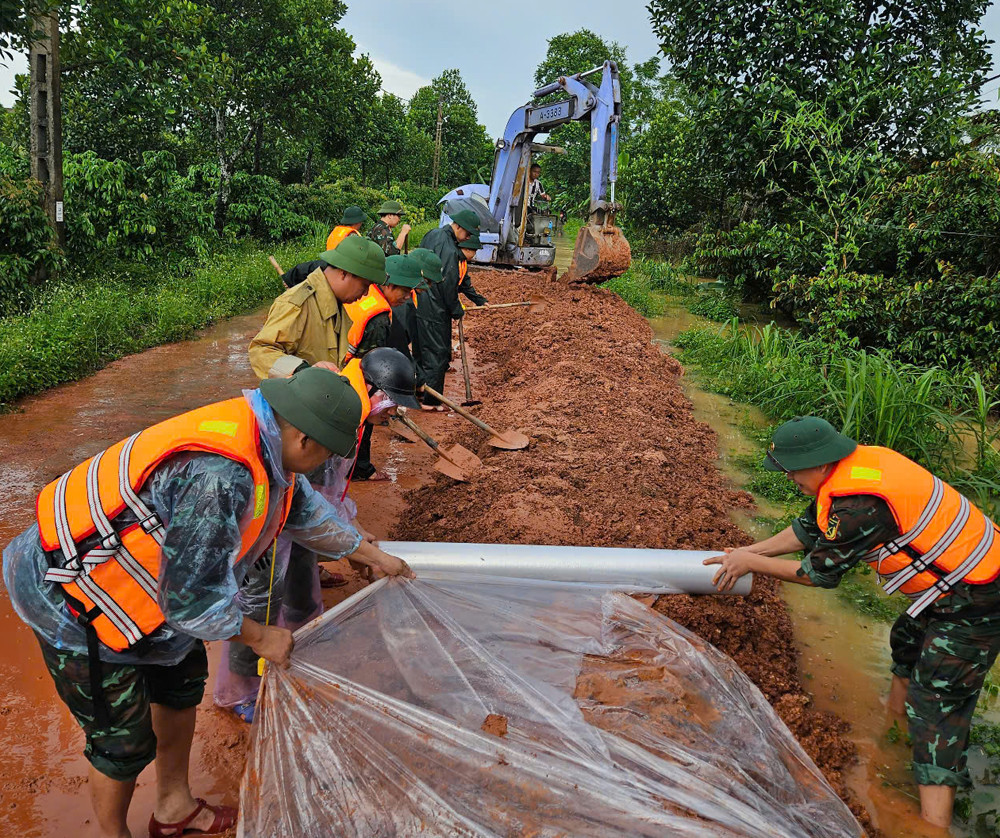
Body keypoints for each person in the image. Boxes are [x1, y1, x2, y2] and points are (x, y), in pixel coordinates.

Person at [2, 367, 413, 838]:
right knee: (121, 741)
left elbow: (304, 511)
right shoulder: (219, 477)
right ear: (303, 439)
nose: (323, 466)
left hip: (152, 590)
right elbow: (192, 600)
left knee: (180, 685)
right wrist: (260, 637)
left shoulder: (266, 439)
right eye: (325, 454)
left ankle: (173, 808)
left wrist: (373, 556)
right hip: (74, 596)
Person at [705, 416, 1000, 829]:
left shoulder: (861, 505)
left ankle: (931, 826)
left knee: (938, 703)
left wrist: (751, 564)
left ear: (821, 462)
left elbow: (817, 575)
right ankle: (894, 728)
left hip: (980, 595)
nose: (789, 478)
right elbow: (808, 531)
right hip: (952, 581)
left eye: (792, 469)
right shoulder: (856, 469)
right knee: (907, 642)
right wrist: (744, 551)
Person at [218, 350, 421, 723]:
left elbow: (317, 501)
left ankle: (302, 647)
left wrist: (359, 541)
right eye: (391, 404)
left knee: (300, 586)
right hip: (265, 529)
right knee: (259, 603)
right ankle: (238, 692)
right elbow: (193, 598)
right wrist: (357, 545)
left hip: (287, 519)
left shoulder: (340, 414)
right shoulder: (324, 417)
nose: (393, 413)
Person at [249, 235, 387, 380]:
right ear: (344, 273)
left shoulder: (336, 304)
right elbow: (261, 351)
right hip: (298, 397)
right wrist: (301, 370)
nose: (365, 293)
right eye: (364, 285)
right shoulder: (297, 303)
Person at [342, 255, 429, 480]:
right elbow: (375, 369)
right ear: (389, 285)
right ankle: (360, 470)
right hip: (354, 373)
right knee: (365, 417)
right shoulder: (378, 318)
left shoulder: (366, 293)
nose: (408, 298)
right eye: (405, 292)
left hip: (340, 361)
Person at [417, 210, 480, 409]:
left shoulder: (432, 234)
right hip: (435, 307)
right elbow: (447, 285)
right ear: (458, 226)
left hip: (418, 300)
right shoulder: (450, 250)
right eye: (468, 234)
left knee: (422, 349)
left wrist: (478, 300)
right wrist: (456, 309)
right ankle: (432, 401)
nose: (468, 239)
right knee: (438, 352)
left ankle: (419, 389)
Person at [457, 232, 488, 307]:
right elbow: (447, 288)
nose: (474, 255)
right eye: (474, 251)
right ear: (467, 250)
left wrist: (480, 301)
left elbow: (465, 286)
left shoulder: (463, 263)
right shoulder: (453, 261)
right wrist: (456, 309)